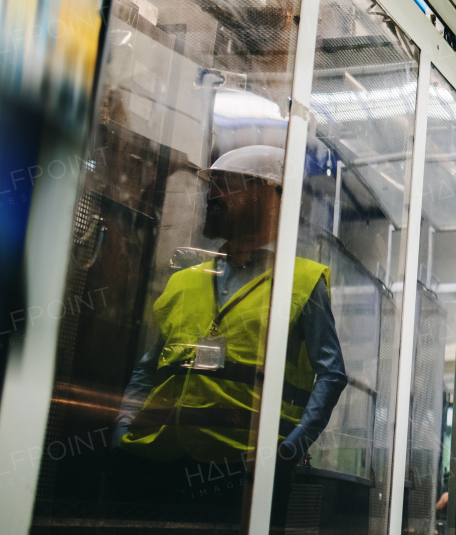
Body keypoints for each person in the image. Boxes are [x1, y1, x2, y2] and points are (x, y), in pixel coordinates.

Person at [111, 145, 347, 519]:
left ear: (265, 195)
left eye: (224, 185)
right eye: (212, 186)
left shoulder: (302, 281)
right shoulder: (185, 280)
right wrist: (123, 427)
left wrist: (290, 448)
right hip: (153, 456)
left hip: (244, 466)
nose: (211, 196)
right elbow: (149, 365)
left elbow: (332, 374)